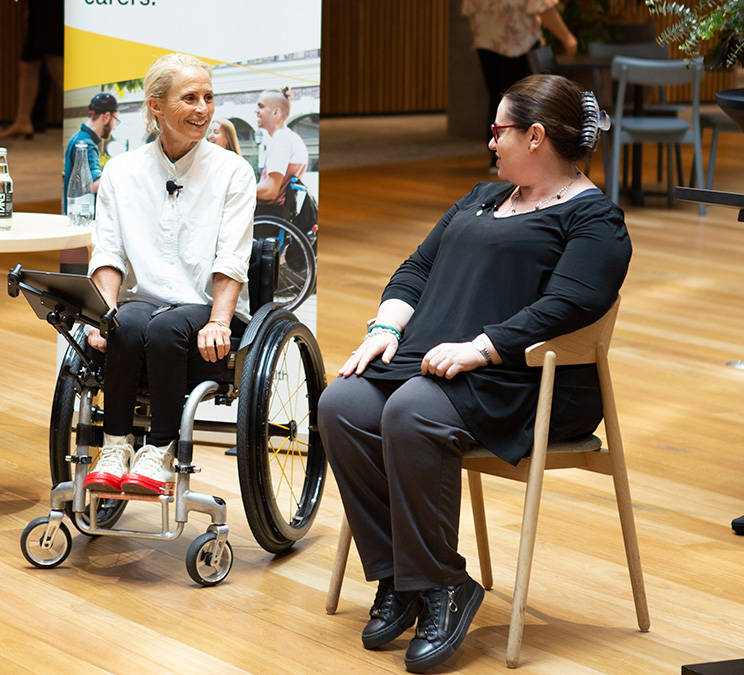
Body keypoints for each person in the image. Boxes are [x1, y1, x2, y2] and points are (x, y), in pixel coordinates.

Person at [318, 74, 627, 673]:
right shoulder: (481, 197)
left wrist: (482, 348)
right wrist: (384, 330)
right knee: (341, 405)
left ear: (535, 136)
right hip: (434, 362)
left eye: (499, 130)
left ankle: (441, 584)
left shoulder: (594, 219)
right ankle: (403, 579)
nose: (491, 143)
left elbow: (568, 305)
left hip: (526, 379)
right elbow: (415, 269)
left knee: (411, 412)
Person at [83, 53, 256, 495]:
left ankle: (159, 451)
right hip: (145, 301)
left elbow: (231, 259)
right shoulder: (122, 171)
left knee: (164, 330)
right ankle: (115, 446)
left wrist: (219, 321)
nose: (203, 109)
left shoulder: (233, 172)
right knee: (127, 322)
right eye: (190, 98)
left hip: (202, 307)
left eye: (208, 98)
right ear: (156, 106)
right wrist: (102, 315)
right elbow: (108, 252)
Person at [462, 0, 578, 171]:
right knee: (522, 103)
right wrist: (567, 38)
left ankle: (498, 156)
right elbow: (542, 6)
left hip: (486, 38)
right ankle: (519, 158)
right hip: (518, 40)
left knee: (499, 98)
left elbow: (469, 8)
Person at [0, 0, 63, 139]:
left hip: (55, 6)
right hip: (40, 6)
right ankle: (23, 120)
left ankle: (88, 117)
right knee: (29, 62)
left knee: (56, 62)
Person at [254, 88, 308, 220]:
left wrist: (237, 189)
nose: (256, 111)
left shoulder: (281, 140)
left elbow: (269, 191)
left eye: (261, 106)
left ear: (275, 112)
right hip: (280, 215)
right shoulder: (293, 138)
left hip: (268, 215)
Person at [62, 92, 118, 203]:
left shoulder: (76, 137)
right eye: (116, 120)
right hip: (84, 215)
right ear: (106, 117)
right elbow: (95, 184)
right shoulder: (87, 144)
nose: (115, 128)